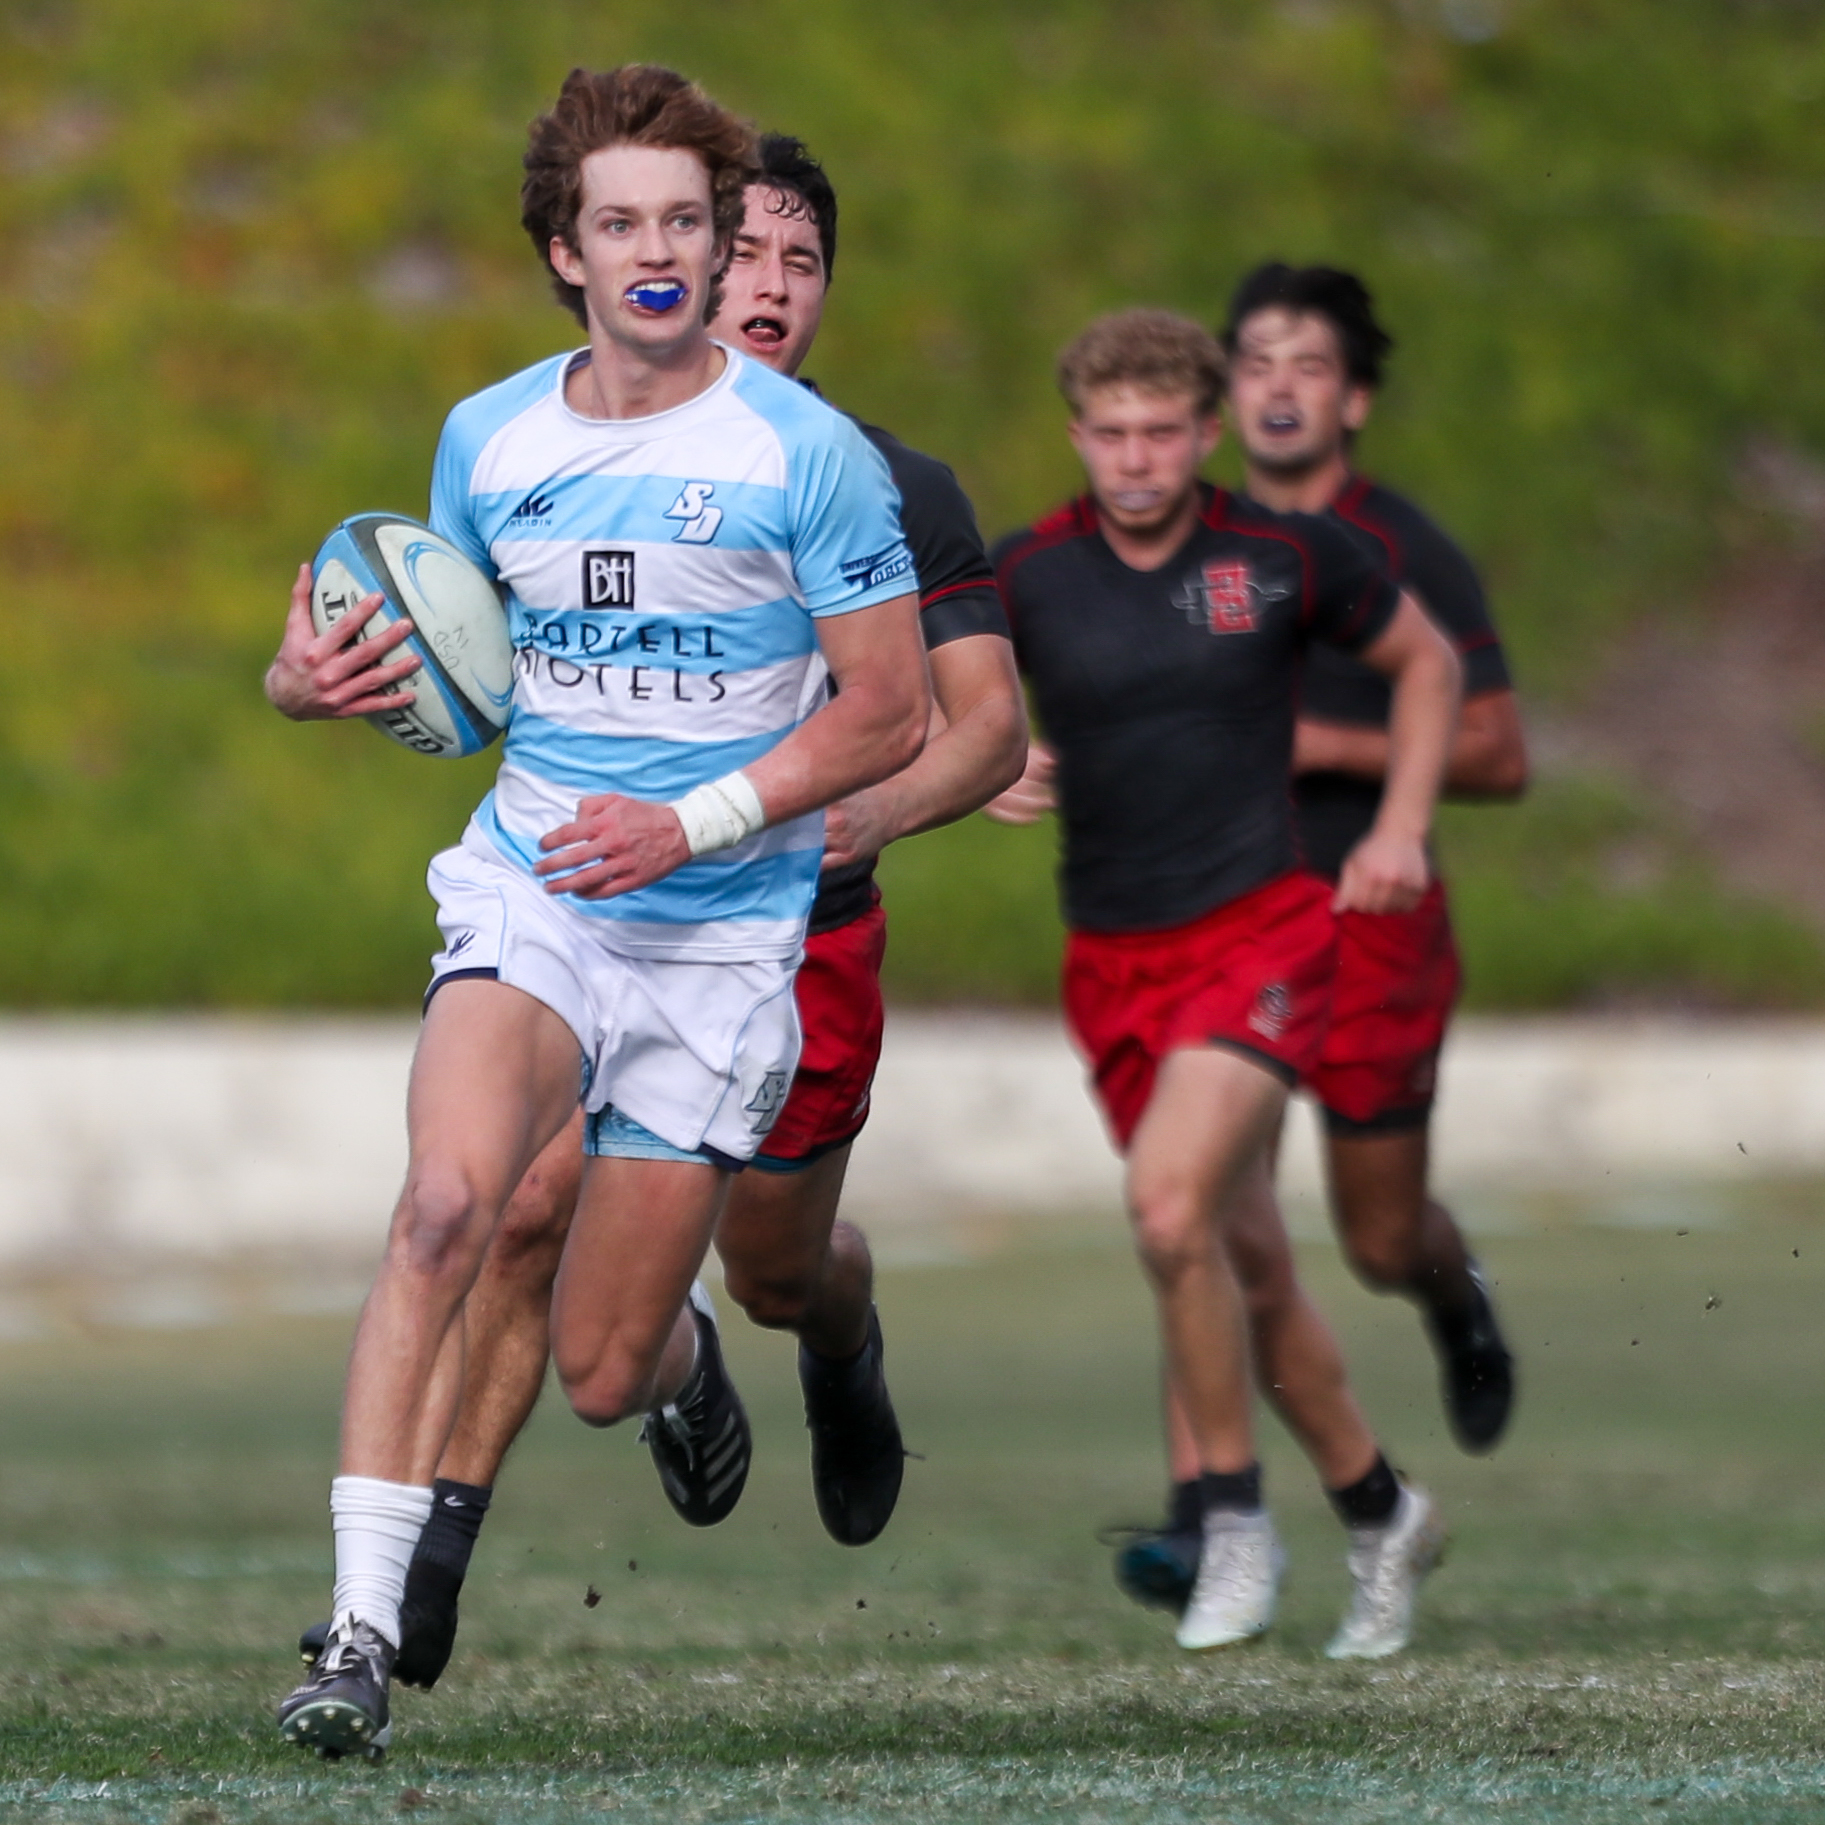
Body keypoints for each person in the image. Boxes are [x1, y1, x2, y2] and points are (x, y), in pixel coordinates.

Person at [284, 131, 1025, 1697]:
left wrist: (834, 818)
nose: (755, 280)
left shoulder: (865, 475)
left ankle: (817, 1345)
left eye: (791, 259)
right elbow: (471, 654)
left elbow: (954, 723)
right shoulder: (504, 432)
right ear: (585, 253)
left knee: (743, 1288)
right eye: (733, 245)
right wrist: (318, 679)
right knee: (479, 1206)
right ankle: (393, 1592)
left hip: (774, 930)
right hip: (558, 895)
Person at [990, 309, 1461, 1658]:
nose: (1135, 459)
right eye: (1110, 435)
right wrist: (983, 760)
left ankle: (1233, 1522)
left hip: (1262, 935)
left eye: (1160, 433)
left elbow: (1427, 665)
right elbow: (929, 701)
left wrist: (1398, 828)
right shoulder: (1028, 573)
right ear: (1078, 437)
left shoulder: (1284, 553)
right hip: (1110, 959)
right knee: (1241, 1256)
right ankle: (1382, 1510)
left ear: (1205, 434)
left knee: (1166, 1206)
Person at [1099, 266, 1528, 1614]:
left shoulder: (1401, 550)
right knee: (1201, 1204)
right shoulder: (1178, 546)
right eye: (1257, 362)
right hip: (1223, 924)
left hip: (1371, 924)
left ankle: (1450, 1291)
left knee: (1377, 1237)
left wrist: (1325, 744)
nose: (1280, 386)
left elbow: (1498, 751)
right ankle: (1205, 1511)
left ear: (1352, 399)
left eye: (1309, 364)